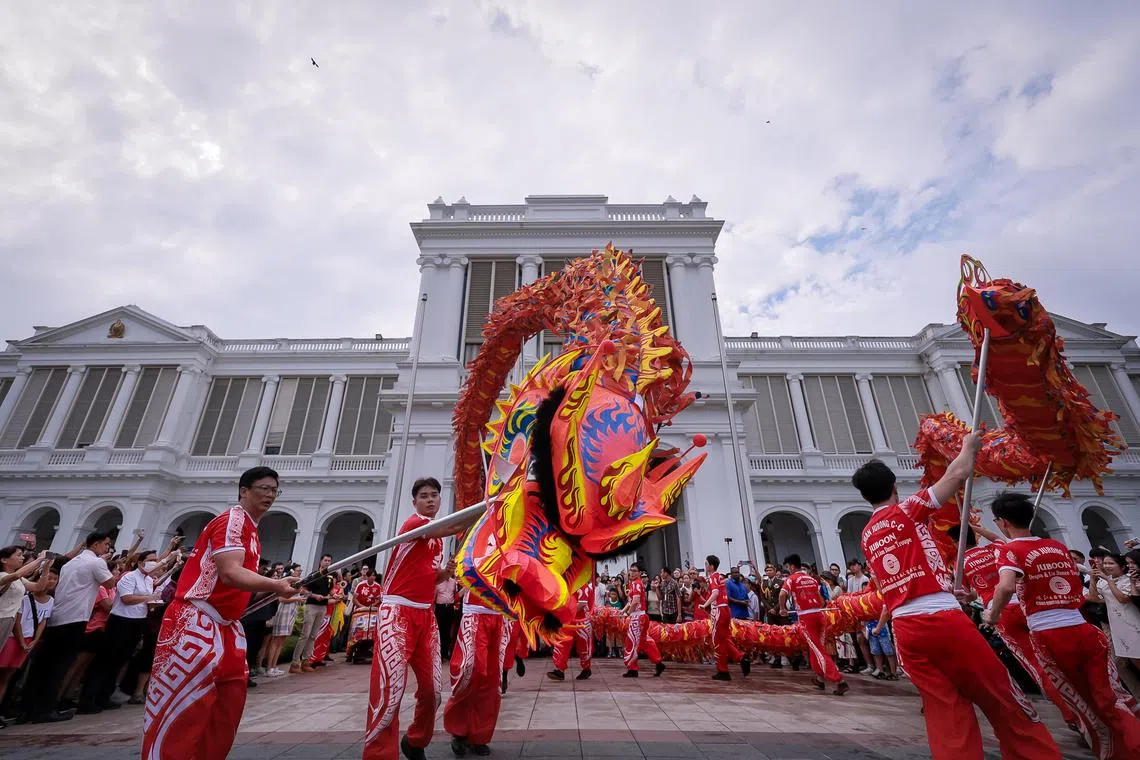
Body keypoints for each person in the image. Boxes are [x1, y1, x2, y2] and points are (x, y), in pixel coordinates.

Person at [853, 432, 1061, 760]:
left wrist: (947, 589)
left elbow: (889, 580)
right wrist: (968, 447)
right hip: (942, 622)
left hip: (905, 629)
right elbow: (956, 475)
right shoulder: (907, 511)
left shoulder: (866, 535)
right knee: (1001, 695)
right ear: (894, 487)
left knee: (944, 709)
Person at [141, 467, 298, 760]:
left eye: (274, 490)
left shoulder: (251, 529)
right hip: (196, 620)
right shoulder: (231, 520)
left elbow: (239, 584)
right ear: (243, 491)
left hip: (226, 626)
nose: (270, 495)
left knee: (226, 709)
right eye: (263, 488)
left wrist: (276, 588)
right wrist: (276, 584)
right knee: (185, 710)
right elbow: (229, 572)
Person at [984, 491, 1140, 758]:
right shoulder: (1055, 546)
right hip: (1083, 627)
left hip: (1050, 635)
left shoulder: (1010, 551)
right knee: (1110, 697)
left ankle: (1118, 752)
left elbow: (1006, 586)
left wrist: (993, 614)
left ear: (1003, 522)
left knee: (1083, 702)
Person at [365, 476, 480, 760]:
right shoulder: (415, 524)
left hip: (425, 615)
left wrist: (446, 572)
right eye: (424, 496)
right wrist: (489, 507)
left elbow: (431, 577)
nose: (430, 500)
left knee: (432, 692)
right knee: (390, 692)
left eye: (434, 495)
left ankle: (415, 741)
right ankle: (379, 754)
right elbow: (451, 526)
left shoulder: (436, 541)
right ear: (415, 501)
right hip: (397, 614)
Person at [954, 522, 1078, 727]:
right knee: (1058, 659)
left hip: (1001, 612)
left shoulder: (962, 563)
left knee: (1036, 665)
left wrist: (967, 600)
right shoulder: (997, 548)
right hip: (1025, 606)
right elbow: (996, 538)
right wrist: (974, 527)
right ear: (975, 538)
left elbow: (970, 595)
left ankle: (1071, 716)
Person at [24, 531, 123, 723]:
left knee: (43, 665)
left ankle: (29, 707)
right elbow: (110, 582)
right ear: (95, 545)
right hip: (75, 618)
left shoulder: (72, 562)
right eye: (106, 544)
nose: (107, 548)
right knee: (59, 666)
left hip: (58, 616)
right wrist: (104, 563)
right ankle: (45, 709)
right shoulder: (95, 562)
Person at [79, 548, 163, 713]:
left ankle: (104, 696)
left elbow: (143, 601)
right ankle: (88, 698)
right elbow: (126, 599)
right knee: (105, 660)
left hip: (138, 621)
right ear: (140, 562)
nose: (155, 562)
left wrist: (151, 603)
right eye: (151, 559)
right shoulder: (129, 577)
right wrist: (148, 599)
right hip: (120, 621)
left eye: (156, 559)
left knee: (120, 661)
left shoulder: (148, 580)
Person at [443, 589, 506, 757]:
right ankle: (459, 731)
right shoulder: (470, 560)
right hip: (475, 612)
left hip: (500, 613)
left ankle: (480, 736)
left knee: (491, 680)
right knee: (470, 672)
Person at [780, 554, 848, 694]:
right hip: (819, 614)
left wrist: (782, 609)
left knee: (818, 650)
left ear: (792, 566)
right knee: (815, 647)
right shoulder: (811, 578)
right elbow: (820, 598)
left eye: (788, 566)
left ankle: (839, 680)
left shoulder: (792, 579)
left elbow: (782, 594)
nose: (788, 569)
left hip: (806, 617)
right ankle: (820, 678)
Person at [0, 561, 55, 728]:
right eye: (17, 555)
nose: (21, 558)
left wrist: (46, 567)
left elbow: (39, 588)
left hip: (26, 638)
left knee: (6, 679)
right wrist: (39, 560)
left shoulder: (22, 582)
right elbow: (18, 617)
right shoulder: (6, 577)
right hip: (9, 633)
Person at [1088, 552, 1140, 665]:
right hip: (1117, 623)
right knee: (1133, 656)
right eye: (1105, 563)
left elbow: (1123, 599)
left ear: (1122, 566)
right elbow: (1094, 598)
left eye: (1111, 563)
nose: (1106, 566)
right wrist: (1092, 579)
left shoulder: (1128, 579)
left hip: (1133, 620)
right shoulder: (1103, 581)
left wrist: (1109, 581)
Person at [703, 556, 748, 680]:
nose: (705, 566)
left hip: (718, 610)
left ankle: (723, 670)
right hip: (725, 610)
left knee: (718, 641)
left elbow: (715, 593)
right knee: (725, 638)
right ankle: (740, 657)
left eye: (706, 564)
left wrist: (705, 605)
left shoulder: (713, 577)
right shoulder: (720, 577)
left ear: (711, 566)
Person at [620, 561, 664, 678]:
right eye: (631, 570)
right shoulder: (634, 583)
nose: (632, 573)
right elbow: (631, 601)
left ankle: (632, 669)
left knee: (632, 642)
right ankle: (658, 662)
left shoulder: (636, 584)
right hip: (640, 616)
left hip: (637, 617)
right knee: (645, 641)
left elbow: (635, 600)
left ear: (639, 573)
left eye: (634, 571)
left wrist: (628, 614)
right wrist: (622, 612)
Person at [292, 553, 334, 674]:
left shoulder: (329, 576)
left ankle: (306, 660)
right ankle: (295, 662)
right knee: (305, 634)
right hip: (311, 606)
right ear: (321, 561)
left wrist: (334, 595)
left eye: (329, 561)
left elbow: (330, 590)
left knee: (313, 635)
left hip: (323, 607)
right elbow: (303, 589)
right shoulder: (314, 575)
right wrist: (314, 595)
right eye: (325, 560)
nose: (327, 562)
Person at [548, 580, 594, 681]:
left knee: (583, 647)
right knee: (562, 642)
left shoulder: (582, 585)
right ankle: (560, 670)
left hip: (582, 621)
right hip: (569, 620)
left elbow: (582, 604)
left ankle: (586, 669)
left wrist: (568, 612)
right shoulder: (567, 586)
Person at [346, 566, 382, 664]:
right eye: (371, 576)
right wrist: (361, 606)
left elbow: (379, 599)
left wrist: (372, 605)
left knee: (372, 632)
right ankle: (352, 652)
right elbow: (354, 598)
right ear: (367, 576)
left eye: (374, 576)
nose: (373, 578)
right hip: (360, 612)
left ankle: (369, 650)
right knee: (358, 632)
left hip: (372, 612)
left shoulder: (378, 586)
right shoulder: (361, 585)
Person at [435, 565, 459, 661]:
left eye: (451, 571)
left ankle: (445, 653)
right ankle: (439, 653)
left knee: (448, 631)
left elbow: (456, 595)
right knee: (439, 630)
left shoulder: (454, 583)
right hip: (440, 608)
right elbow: (434, 595)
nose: (449, 573)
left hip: (449, 608)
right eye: (448, 571)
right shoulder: (438, 582)